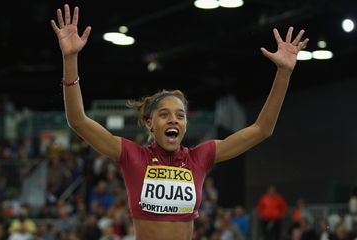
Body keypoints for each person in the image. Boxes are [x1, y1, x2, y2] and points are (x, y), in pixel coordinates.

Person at [51, 4, 308, 240]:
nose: (173, 119)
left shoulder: (200, 157)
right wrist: (70, 59)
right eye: (164, 114)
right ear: (150, 124)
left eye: (180, 115)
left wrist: (284, 73)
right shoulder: (132, 156)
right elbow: (78, 121)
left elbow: (262, 129)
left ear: (185, 125)